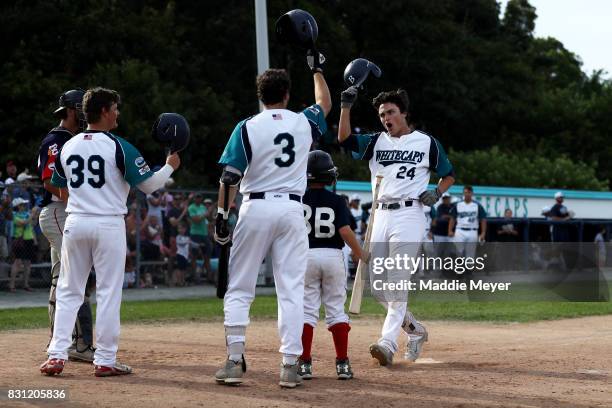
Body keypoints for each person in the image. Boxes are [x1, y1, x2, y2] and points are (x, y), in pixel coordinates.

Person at [40, 87, 181, 377]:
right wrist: (169, 167)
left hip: (76, 220)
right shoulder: (118, 146)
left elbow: (56, 181)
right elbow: (150, 185)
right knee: (108, 292)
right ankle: (104, 359)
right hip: (107, 223)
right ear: (104, 111)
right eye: (114, 108)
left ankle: (56, 355)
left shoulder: (69, 145)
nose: (117, 113)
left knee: (69, 290)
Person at [214, 60, 331, 388]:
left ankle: (235, 360)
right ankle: (290, 366)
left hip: (256, 207)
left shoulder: (247, 126)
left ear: (260, 95)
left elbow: (229, 176)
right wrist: (317, 67)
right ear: (287, 94)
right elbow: (325, 103)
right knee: (291, 289)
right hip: (293, 210)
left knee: (240, 287)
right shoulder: (304, 122)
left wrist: (222, 216)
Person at [338, 87, 455, 366]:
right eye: (381, 114)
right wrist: (345, 106)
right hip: (380, 215)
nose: (386, 118)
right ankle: (415, 330)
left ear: (404, 113)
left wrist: (437, 193)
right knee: (377, 286)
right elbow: (343, 138)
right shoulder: (375, 141)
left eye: (391, 112)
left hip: (409, 214)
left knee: (397, 281)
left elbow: (448, 175)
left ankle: (387, 343)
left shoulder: (426, 142)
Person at [37, 88, 96, 362]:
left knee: (60, 279)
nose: (85, 116)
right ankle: (80, 344)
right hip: (60, 211)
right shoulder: (58, 140)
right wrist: (75, 202)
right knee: (77, 276)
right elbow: (49, 179)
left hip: (60, 213)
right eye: (80, 110)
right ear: (72, 111)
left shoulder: (69, 139)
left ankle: (60, 341)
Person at [298, 151, 367, 381]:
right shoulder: (337, 201)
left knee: (307, 311)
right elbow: (345, 231)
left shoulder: (298, 199)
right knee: (336, 310)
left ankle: (304, 363)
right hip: (332, 256)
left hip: (305, 255)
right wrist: (359, 253)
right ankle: (342, 364)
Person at [448, 186, 487, 266]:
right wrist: (450, 230)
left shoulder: (477, 205)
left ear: (472, 193)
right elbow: (452, 219)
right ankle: (459, 271)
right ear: (463, 193)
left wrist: (483, 233)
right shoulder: (458, 205)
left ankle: (469, 273)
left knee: (470, 254)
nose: (467, 194)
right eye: (465, 192)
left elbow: (483, 219)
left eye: (469, 192)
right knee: (458, 252)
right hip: (460, 230)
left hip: (472, 230)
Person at [9, 198, 36, 292]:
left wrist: (34, 239)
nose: (24, 206)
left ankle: (25, 284)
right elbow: (23, 223)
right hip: (19, 241)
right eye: (22, 204)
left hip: (29, 240)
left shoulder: (27, 214)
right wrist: (32, 215)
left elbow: (32, 224)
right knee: (17, 263)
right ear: (18, 206)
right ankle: (12, 285)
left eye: (24, 204)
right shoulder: (14, 215)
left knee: (28, 263)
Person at [188, 193, 211, 283]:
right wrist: (205, 214)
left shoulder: (203, 207)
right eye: (197, 197)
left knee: (207, 254)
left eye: (200, 197)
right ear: (194, 199)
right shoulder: (191, 207)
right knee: (194, 255)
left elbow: (208, 218)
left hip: (204, 234)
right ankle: (195, 276)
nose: (198, 199)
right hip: (195, 234)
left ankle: (209, 277)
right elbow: (195, 220)